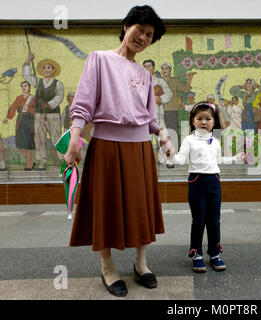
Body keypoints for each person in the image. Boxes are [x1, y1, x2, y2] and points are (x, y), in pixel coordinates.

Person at [64, 5, 168, 297]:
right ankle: (107, 265)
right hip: (107, 146)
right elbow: (83, 103)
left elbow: (149, 118)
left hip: (140, 149)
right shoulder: (99, 59)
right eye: (140, 29)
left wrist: (162, 136)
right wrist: (75, 136)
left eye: (149, 35)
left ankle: (140, 262)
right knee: (105, 205)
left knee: (141, 205)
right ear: (126, 25)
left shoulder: (144, 75)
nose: (143, 37)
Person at [169, 102, 245, 273]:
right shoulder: (189, 140)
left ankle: (215, 254)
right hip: (196, 182)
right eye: (199, 118)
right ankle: (197, 255)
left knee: (214, 220)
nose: (204, 122)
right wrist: (171, 155)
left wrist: (234, 158)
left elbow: (217, 160)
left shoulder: (215, 140)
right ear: (193, 121)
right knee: (198, 220)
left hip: (214, 182)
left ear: (214, 122)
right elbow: (181, 159)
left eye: (208, 119)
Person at [23, 54, 64, 171]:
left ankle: (63, 160)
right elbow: (26, 76)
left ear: (53, 70)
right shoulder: (38, 82)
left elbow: (59, 96)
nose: (46, 70)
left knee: (56, 137)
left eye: (49, 67)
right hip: (39, 115)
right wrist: (27, 62)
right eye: (44, 68)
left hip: (53, 115)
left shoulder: (58, 84)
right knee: (39, 138)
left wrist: (48, 104)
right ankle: (42, 162)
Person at [143, 59, 173, 165]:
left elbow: (169, 94)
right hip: (144, 116)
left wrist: (160, 99)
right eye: (145, 67)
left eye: (149, 66)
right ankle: (148, 160)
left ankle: (166, 159)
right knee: (146, 139)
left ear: (153, 68)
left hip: (157, 114)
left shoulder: (160, 81)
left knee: (162, 136)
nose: (147, 68)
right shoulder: (139, 82)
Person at [3, 81, 36, 170]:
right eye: (22, 86)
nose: (23, 87)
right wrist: (8, 117)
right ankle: (31, 162)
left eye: (26, 86)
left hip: (29, 122)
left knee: (28, 144)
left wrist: (28, 108)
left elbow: (37, 110)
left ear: (29, 88)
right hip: (20, 121)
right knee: (20, 144)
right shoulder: (19, 98)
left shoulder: (33, 98)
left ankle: (29, 164)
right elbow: (13, 107)